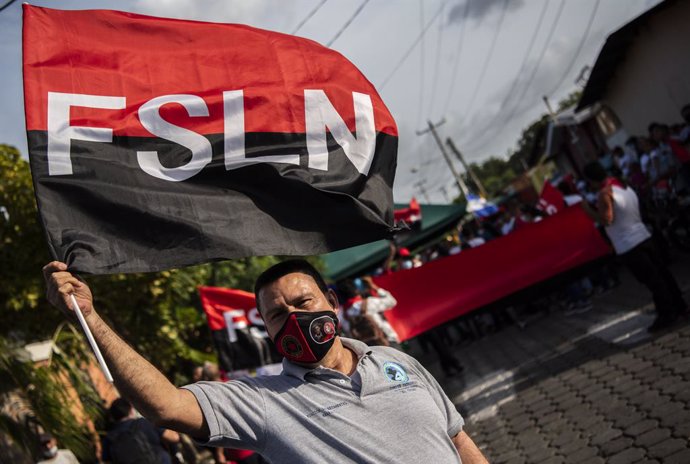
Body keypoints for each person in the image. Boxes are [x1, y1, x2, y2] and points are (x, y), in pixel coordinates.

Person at [43, 260, 488, 463]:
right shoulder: (262, 402)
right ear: (267, 329)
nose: (293, 317)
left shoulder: (393, 360)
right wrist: (90, 317)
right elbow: (165, 405)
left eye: (303, 301)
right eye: (277, 314)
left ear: (330, 303)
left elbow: (457, 439)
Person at [582, 162, 688, 331]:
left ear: (591, 180)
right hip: (644, 236)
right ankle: (679, 305)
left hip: (629, 245)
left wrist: (588, 211)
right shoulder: (622, 185)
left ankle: (667, 313)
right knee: (662, 274)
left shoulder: (604, 193)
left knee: (653, 281)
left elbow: (607, 219)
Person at [102, 398, 180, 464]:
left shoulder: (109, 437)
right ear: (131, 410)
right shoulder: (143, 423)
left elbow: (106, 460)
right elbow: (173, 437)